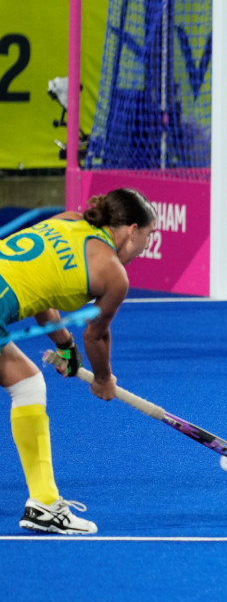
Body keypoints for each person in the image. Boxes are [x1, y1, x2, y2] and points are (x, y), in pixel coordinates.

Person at [0, 188, 156, 534]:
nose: (146, 246)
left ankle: (44, 502)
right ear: (132, 230)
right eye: (148, 236)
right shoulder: (114, 275)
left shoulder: (69, 221)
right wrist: (104, 379)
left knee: (26, 383)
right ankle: (44, 502)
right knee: (27, 386)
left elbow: (41, 289)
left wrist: (65, 345)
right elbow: (97, 335)